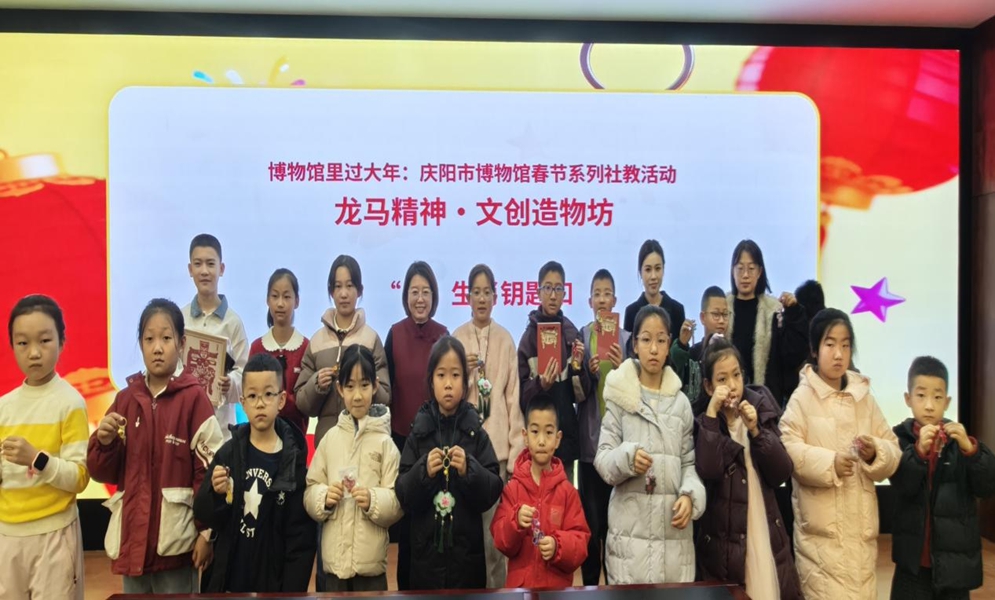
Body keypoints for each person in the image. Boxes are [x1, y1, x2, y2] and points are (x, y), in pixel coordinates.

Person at [87, 299, 224, 594]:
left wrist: (207, 533)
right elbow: (102, 472)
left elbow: (209, 474)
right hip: (132, 546)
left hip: (176, 547)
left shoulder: (194, 399)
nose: (157, 348)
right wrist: (105, 443)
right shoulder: (125, 399)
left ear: (181, 344)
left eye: (166, 338)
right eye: (149, 339)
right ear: (141, 344)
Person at [780, 308, 901, 599]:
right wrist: (830, 463)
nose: (838, 354)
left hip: (861, 542)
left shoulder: (864, 398)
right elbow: (788, 451)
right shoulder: (802, 399)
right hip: (821, 545)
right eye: (830, 344)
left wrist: (875, 452)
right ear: (814, 349)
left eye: (845, 345)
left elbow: (894, 450)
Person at [595, 305, 705, 584]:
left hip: (673, 545)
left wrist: (689, 496)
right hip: (630, 548)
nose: (653, 349)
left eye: (660, 340)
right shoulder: (620, 396)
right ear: (634, 345)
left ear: (669, 345)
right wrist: (627, 458)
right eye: (646, 340)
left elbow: (689, 464)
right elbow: (603, 460)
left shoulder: (681, 403)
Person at [194, 353, 315, 592]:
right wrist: (216, 493)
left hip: (272, 585)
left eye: (268, 394)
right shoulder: (228, 453)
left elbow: (300, 540)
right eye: (252, 396)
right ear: (243, 402)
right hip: (229, 582)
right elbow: (205, 513)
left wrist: (290, 593)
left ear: (281, 400)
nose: (260, 403)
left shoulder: (292, 462)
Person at [694, 336, 801, 599]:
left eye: (736, 375)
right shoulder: (704, 422)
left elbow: (781, 472)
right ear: (708, 386)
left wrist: (756, 430)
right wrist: (711, 415)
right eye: (722, 379)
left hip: (763, 527)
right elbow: (708, 470)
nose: (732, 385)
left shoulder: (760, 408)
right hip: (725, 542)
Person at [395, 336, 504, 590]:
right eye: (441, 375)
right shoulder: (419, 431)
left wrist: (469, 470)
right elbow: (402, 493)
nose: (448, 384)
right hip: (425, 562)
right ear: (431, 380)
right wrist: (423, 471)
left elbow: (493, 489)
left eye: (455, 375)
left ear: (465, 383)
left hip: (467, 562)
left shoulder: (475, 431)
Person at [0, 295, 90, 600]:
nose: (34, 352)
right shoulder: (4, 407)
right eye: (23, 343)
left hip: (54, 533)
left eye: (45, 340)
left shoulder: (70, 403)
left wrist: (36, 459)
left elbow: (79, 477)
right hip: (7, 534)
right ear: (12, 346)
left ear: (62, 342)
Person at [889, 356, 995, 599]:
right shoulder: (899, 439)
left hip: (954, 566)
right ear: (907, 398)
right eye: (921, 395)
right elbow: (903, 485)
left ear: (947, 402)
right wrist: (918, 453)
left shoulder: (960, 442)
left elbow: (987, 486)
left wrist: (972, 450)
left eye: (937, 397)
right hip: (913, 565)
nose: (929, 406)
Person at [305, 345, 402, 592]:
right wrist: (324, 498)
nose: (357, 395)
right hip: (334, 567)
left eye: (364, 385)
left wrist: (372, 500)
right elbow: (310, 489)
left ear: (375, 386)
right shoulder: (330, 439)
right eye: (350, 386)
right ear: (339, 389)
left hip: (371, 569)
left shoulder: (386, 444)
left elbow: (397, 501)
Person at [452, 263, 524, 588]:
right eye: (476, 292)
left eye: (487, 293)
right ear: (467, 297)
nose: (481, 299)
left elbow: (513, 399)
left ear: (496, 297)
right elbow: (448, 396)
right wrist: (465, 374)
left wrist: (515, 453)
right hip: (463, 453)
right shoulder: (456, 339)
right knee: (465, 536)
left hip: (497, 455)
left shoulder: (506, 340)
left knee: (495, 538)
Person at [491, 395, 590, 588]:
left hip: (556, 592)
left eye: (549, 433)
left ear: (558, 439)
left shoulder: (568, 492)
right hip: (521, 591)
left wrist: (557, 546)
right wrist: (515, 521)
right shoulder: (513, 488)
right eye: (535, 432)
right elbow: (501, 541)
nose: (542, 441)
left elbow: (580, 541)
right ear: (525, 436)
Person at [296, 254, 390, 447]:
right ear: (331, 291)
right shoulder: (317, 341)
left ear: (360, 290)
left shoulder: (371, 339)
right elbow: (302, 404)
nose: (344, 294)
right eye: (338, 286)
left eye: (350, 285)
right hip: (327, 444)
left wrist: (368, 383)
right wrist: (316, 384)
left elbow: (385, 398)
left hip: (364, 441)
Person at [518, 261, 593, 482]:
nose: (553, 295)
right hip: (537, 443)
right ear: (538, 292)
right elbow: (521, 397)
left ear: (564, 294)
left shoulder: (571, 334)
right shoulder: (528, 339)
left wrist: (577, 368)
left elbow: (581, 395)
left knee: (564, 499)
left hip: (564, 438)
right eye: (548, 288)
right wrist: (540, 385)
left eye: (558, 289)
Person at [577, 268, 627, 585]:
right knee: (589, 524)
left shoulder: (627, 339)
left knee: (615, 525)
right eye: (597, 294)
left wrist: (624, 367)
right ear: (590, 301)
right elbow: (576, 391)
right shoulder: (582, 338)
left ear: (615, 300)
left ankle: (616, 584)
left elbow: (636, 390)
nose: (602, 299)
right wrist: (587, 371)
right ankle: (590, 586)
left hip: (619, 445)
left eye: (607, 293)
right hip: (588, 445)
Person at [181, 233, 249, 440]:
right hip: (184, 425)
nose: (204, 271)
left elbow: (245, 374)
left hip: (222, 431)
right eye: (198, 264)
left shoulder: (233, 323)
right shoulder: (180, 319)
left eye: (210, 264)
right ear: (190, 269)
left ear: (221, 269)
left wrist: (230, 383)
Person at [725, 240, 808, 407]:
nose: (745, 275)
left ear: (760, 272)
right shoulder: (723, 307)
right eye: (740, 268)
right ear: (732, 271)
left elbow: (792, 355)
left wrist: (794, 313)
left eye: (751, 268)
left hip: (765, 403)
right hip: (727, 401)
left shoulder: (774, 311)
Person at [249, 268, 310, 434]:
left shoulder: (306, 347)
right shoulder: (257, 348)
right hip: (261, 436)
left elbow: (305, 404)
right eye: (275, 296)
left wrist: (274, 398)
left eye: (287, 297)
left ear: (297, 301)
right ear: (267, 300)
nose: (280, 303)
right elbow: (250, 395)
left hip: (296, 439)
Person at [671, 286, 729, 414]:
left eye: (725, 315)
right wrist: (681, 344)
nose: (721, 321)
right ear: (703, 317)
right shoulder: (693, 354)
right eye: (716, 314)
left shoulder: (732, 353)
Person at [622, 239, 687, 338]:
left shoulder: (677, 310)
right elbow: (628, 347)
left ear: (663, 269)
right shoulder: (631, 312)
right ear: (640, 272)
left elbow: (683, 346)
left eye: (657, 269)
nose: (653, 276)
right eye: (648, 270)